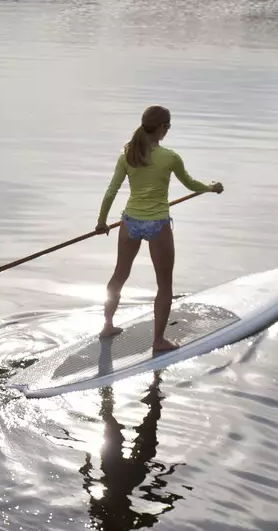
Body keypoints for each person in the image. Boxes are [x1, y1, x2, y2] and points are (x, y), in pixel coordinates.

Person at [94, 105, 223, 353]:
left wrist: (101, 221)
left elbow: (111, 191)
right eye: (168, 126)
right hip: (158, 225)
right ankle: (159, 341)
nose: (168, 131)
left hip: (129, 222)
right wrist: (212, 187)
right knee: (164, 285)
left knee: (119, 274)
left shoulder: (127, 156)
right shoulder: (170, 157)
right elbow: (191, 184)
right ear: (162, 128)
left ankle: (108, 325)